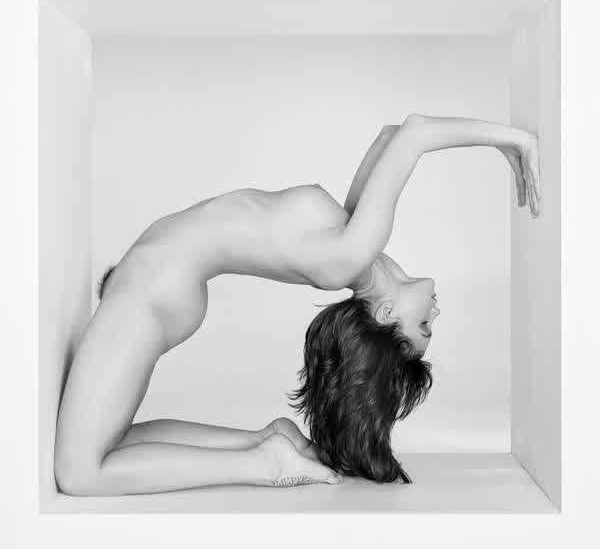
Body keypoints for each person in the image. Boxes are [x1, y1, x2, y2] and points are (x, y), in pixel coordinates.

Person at [54, 113, 540, 496]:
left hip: (154, 289)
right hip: (159, 286)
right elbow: (394, 136)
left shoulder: (352, 252)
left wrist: (513, 140)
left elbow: (416, 133)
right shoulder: (355, 247)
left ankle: (262, 464)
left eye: (425, 327)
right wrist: (504, 141)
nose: (436, 312)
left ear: (387, 314)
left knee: (81, 473)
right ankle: (268, 441)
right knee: (112, 441)